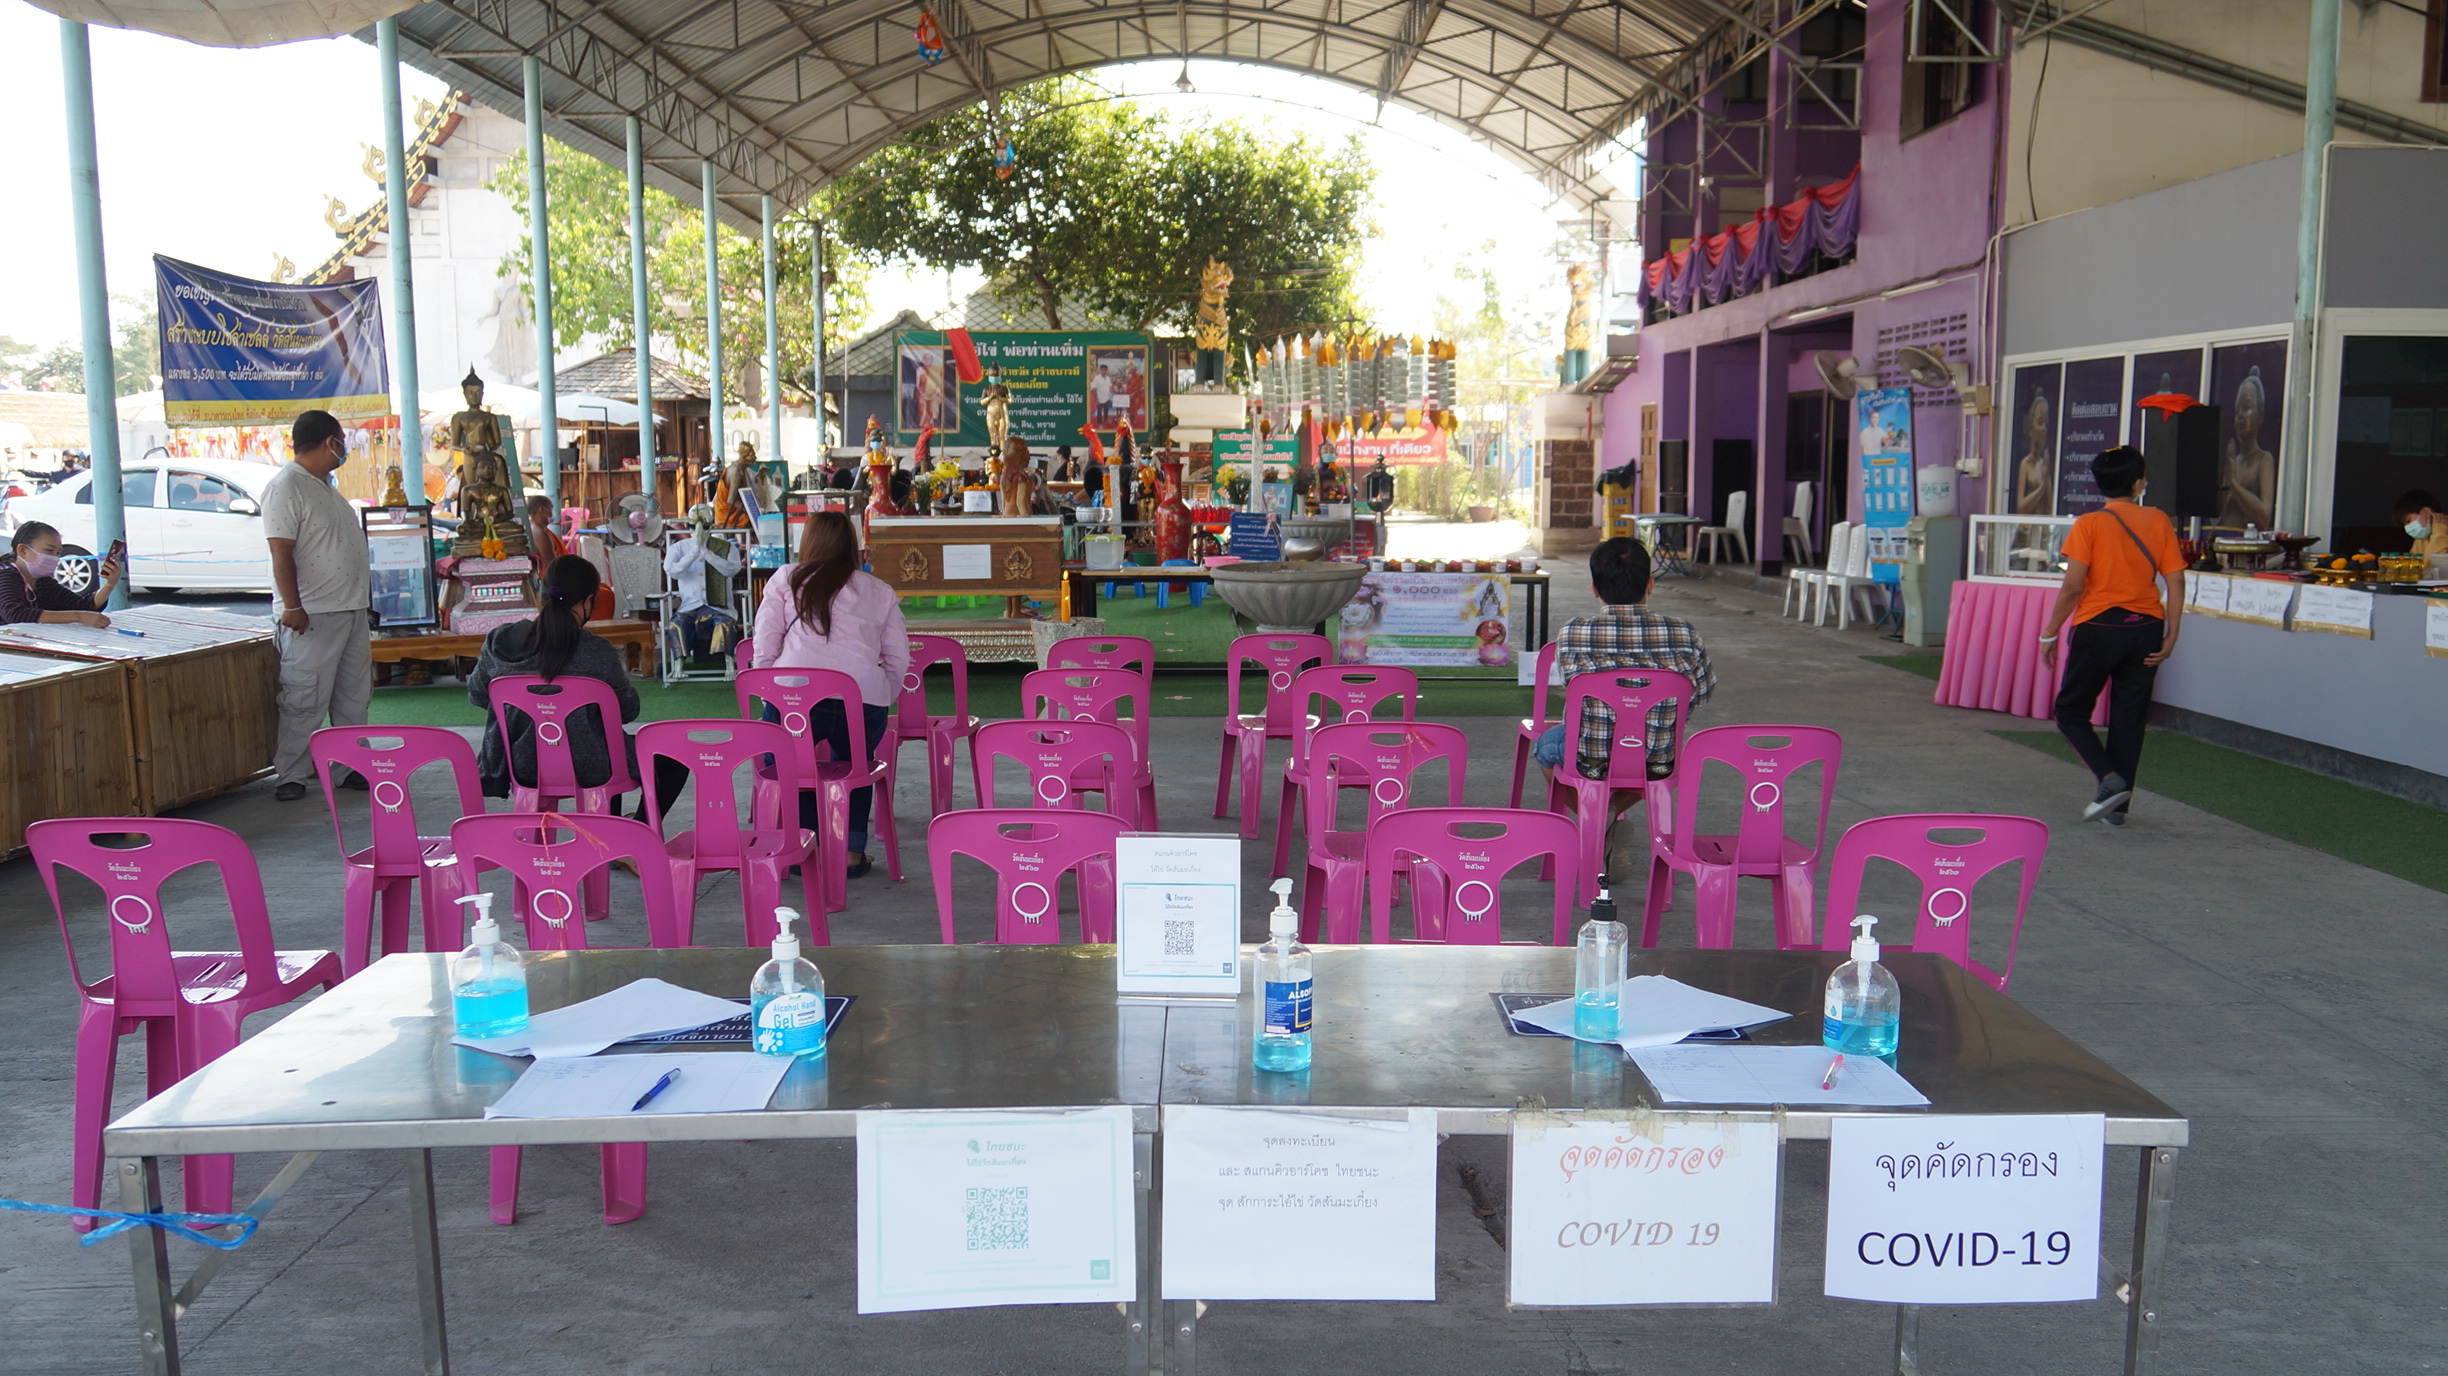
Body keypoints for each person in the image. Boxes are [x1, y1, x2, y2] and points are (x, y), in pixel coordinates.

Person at [466, 554, 688, 818]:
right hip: (593, 768)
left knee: (606, 745)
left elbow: (478, 694)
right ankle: (635, 829)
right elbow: (627, 711)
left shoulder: (499, 641)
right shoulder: (596, 652)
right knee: (653, 755)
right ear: (588, 601)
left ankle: (611, 829)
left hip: (520, 765)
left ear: (542, 595)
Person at [752, 511, 908, 878]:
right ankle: (850, 852)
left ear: (808, 543)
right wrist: (882, 695)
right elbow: (899, 656)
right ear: (852, 545)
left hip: (794, 698)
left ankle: (805, 845)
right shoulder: (879, 591)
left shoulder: (786, 578)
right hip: (862, 701)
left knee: (791, 765)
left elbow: (765, 642)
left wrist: (770, 695)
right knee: (858, 764)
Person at [2040, 445, 2187, 830]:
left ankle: (2108, 778)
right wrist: (2172, 634)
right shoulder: (2158, 520)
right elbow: (2175, 580)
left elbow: (2073, 587)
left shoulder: (2088, 525)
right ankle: (2117, 811)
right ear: (2138, 484)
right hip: (2146, 628)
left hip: (2098, 628)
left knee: (2071, 712)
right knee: (2129, 718)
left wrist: (2049, 632)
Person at [1531, 537, 1715, 791]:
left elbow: (1569, 684)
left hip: (1590, 758)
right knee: (1650, 765)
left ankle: (1594, 812)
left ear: (1594, 589)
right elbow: (1702, 693)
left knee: (1545, 747)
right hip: (1659, 759)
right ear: (1650, 585)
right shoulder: (1685, 633)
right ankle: (1613, 809)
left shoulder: (1573, 632)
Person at [266, 410, 373, 802]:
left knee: (353, 697)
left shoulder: (327, 487)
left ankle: (350, 766)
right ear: (330, 441)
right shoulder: (286, 486)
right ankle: (292, 774)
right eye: (341, 440)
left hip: (351, 609)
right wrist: (292, 606)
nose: (344, 447)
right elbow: (281, 551)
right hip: (311, 613)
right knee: (304, 699)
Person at [1, 520, 122, 626]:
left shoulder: (43, 581)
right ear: (22, 550)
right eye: (49, 550)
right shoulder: (5, 575)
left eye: (58, 553)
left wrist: (109, 584)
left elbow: (83, 606)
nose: (54, 557)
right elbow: (15, 614)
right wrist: (78, 616)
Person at [2392, 488, 2448, 559]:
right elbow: (2413, 563)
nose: (2407, 528)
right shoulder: (2422, 538)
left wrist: (2439, 533)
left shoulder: (2441, 531)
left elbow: (2437, 563)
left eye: (2408, 521)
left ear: (2426, 512)